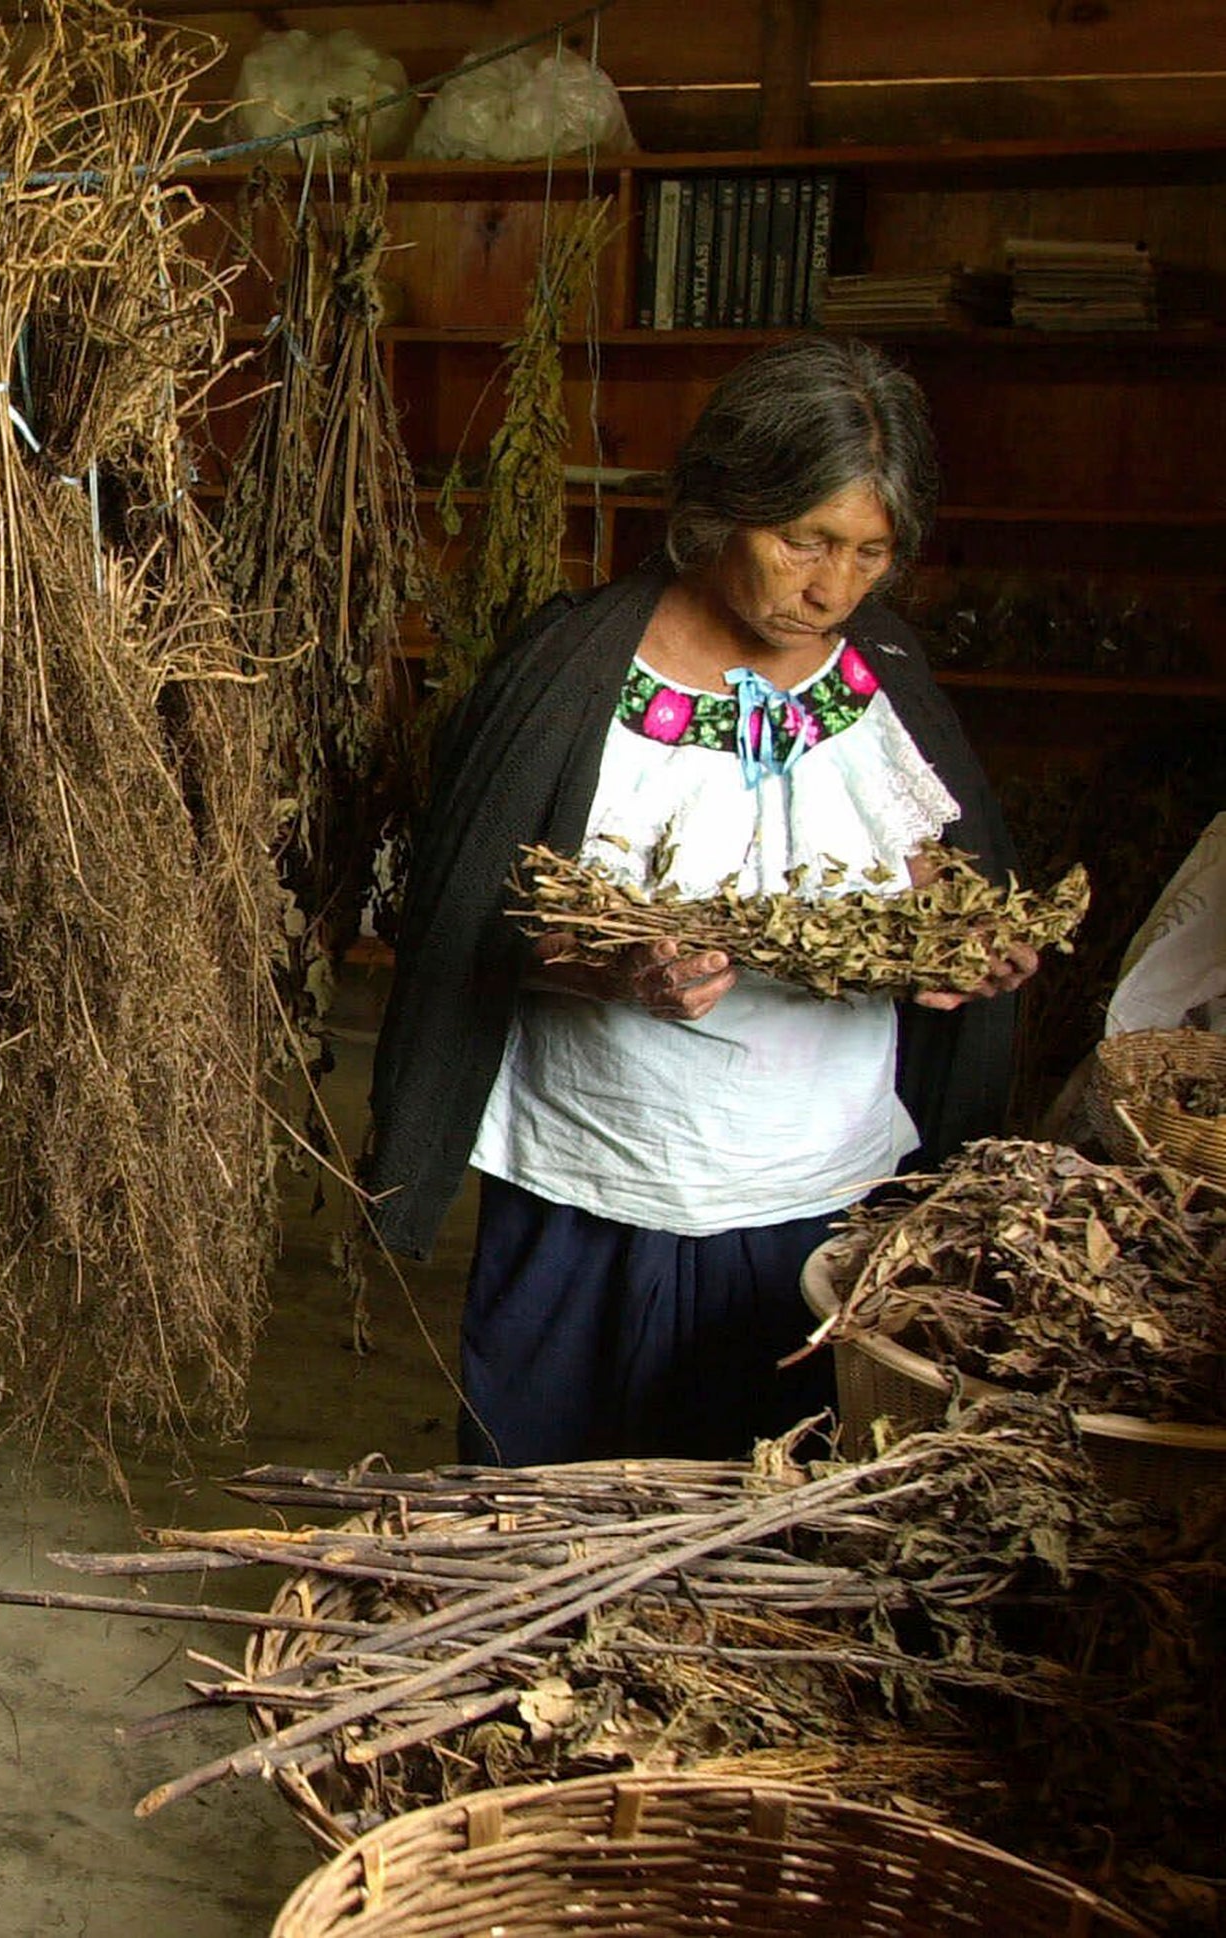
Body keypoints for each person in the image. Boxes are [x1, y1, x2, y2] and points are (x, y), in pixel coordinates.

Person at [364, 335, 1039, 1467]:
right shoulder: (577, 672)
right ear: (724, 506)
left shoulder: (873, 671)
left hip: (818, 1191)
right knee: (551, 1513)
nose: (832, 585)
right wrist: (613, 968)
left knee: (761, 1525)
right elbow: (463, 920)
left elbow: (932, 861)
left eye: (869, 551)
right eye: (803, 542)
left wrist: (964, 943)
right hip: (599, 1179)